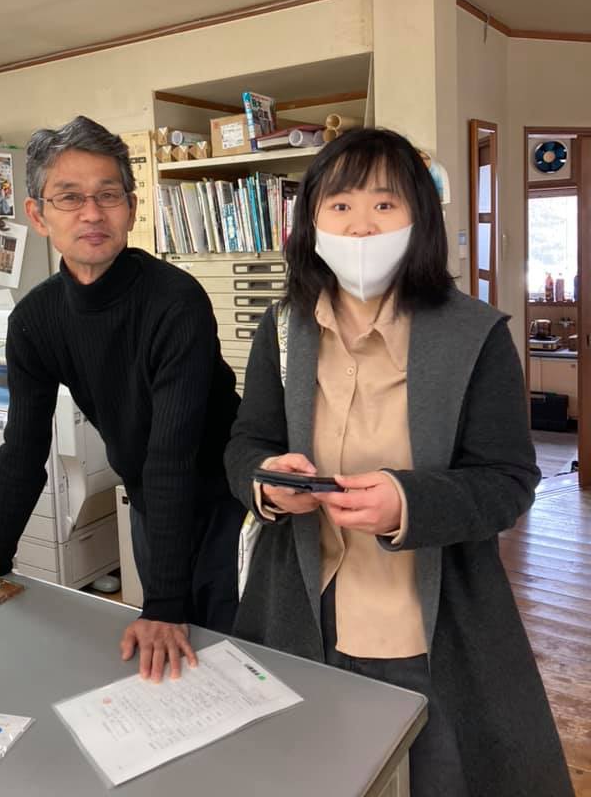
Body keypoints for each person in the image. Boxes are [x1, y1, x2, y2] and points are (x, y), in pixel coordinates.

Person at [224, 128, 572, 797]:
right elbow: (245, 443)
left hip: (432, 623)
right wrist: (267, 485)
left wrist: (407, 503)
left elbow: (508, 482)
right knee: (310, 774)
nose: (360, 226)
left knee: (442, 777)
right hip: (299, 611)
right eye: (340, 205)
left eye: (385, 204)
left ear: (421, 219)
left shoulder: (475, 335)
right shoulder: (283, 328)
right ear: (312, 222)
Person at [0, 115, 244, 681]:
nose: (92, 213)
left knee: (225, 657)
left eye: (108, 195)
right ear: (38, 214)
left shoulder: (175, 301)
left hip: (223, 499)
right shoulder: (36, 319)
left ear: (131, 209)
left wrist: (163, 606)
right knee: (173, 665)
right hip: (149, 497)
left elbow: (173, 454)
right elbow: (23, 449)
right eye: (70, 197)